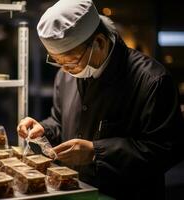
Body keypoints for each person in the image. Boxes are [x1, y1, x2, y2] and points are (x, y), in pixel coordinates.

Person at [17, 0, 184, 199]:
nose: (65, 70)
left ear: (99, 42)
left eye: (70, 61)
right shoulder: (66, 74)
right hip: (75, 191)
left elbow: (166, 150)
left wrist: (96, 152)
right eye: (57, 61)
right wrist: (44, 129)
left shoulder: (152, 80)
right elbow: (60, 121)